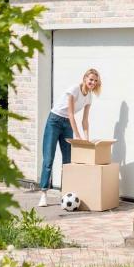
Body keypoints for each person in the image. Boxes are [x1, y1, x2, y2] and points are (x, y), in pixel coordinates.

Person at [38, 68, 102, 207]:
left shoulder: (89, 96)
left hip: (67, 124)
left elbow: (85, 120)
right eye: (91, 79)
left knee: (68, 161)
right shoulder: (74, 90)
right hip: (54, 121)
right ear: (85, 78)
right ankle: (43, 193)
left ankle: (65, 192)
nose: (93, 82)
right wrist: (77, 136)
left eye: (95, 81)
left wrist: (86, 138)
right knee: (48, 159)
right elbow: (71, 114)